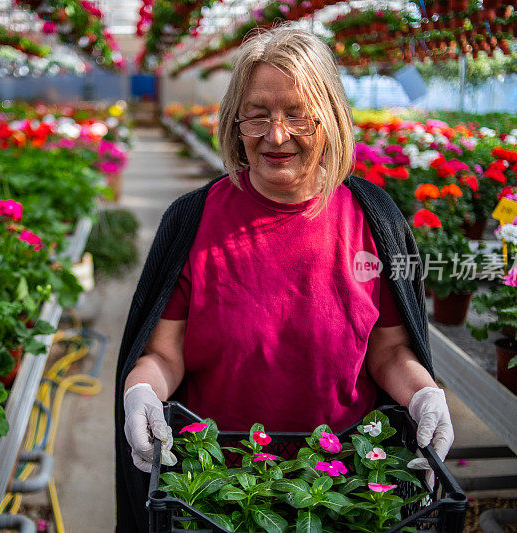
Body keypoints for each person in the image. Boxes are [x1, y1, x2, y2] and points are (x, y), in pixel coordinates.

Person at [114, 22, 454, 532]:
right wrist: (140, 390)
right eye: (257, 117)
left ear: (331, 119)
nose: (276, 136)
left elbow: (388, 351)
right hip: (220, 489)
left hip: (341, 486)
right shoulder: (193, 220)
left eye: (298, 117)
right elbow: (165, 352)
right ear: (235, 123)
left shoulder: (374, 220)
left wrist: (425, 393)